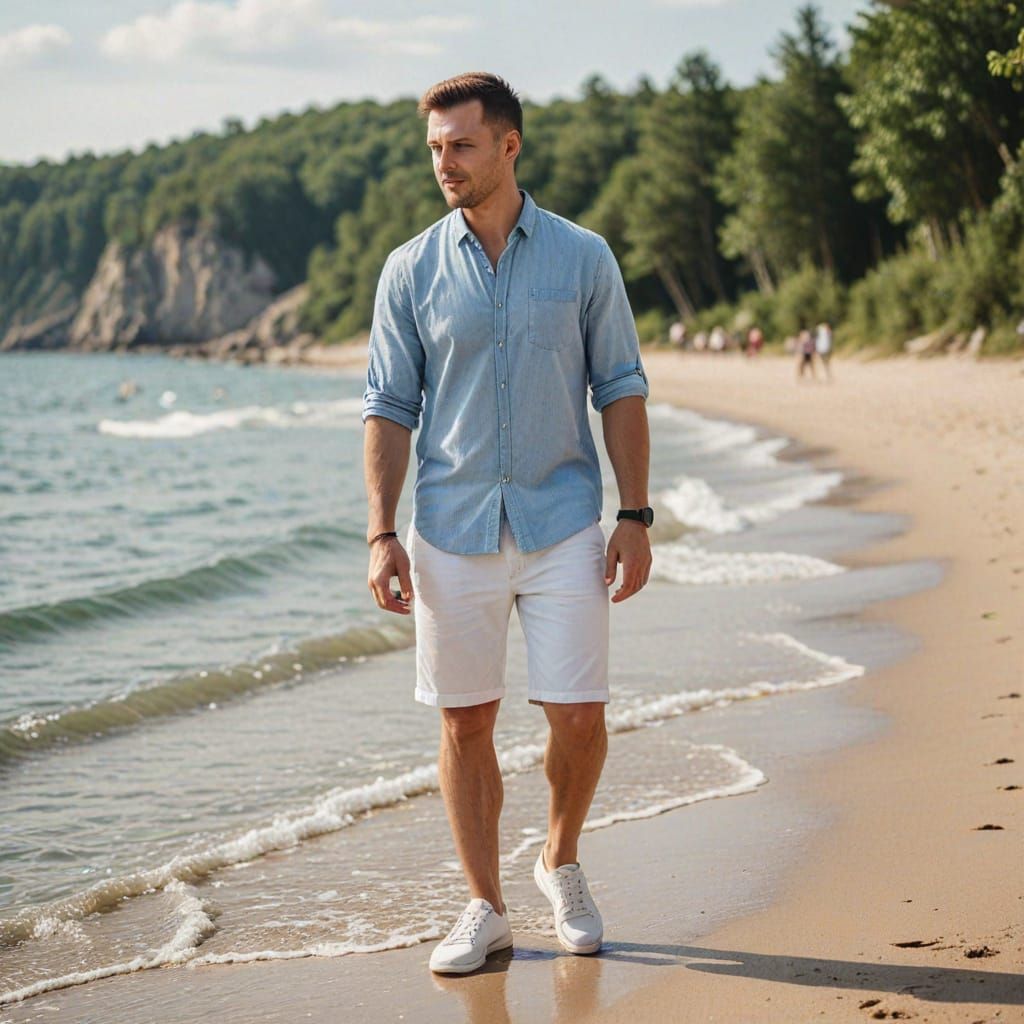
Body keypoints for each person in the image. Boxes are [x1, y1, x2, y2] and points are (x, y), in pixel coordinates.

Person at [361, 72, 652, 975]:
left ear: (509, 144)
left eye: (462, 145)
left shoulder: (582, 256)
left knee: (577, 714)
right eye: (435, 149)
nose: (445, 163)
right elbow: (387, 407)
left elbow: (623, 387)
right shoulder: (410, 269)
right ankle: (483, 905)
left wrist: (635, 514)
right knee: (466, 722)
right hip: (449, 528)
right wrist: (380, 532)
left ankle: (560, 860)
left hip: (563, 518)